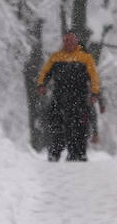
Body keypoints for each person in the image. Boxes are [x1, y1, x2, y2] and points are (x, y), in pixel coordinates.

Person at [36, 32, 104, 162]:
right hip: (59, 96)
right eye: (66, 41)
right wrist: (41, 85)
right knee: (56, 124)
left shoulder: (85, 58)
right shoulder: (56, 57)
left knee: (79, 126)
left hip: (79, 97)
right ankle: (54, 152)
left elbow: (94, 77)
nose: (68, 43)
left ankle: (78, 153)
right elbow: (45, 72)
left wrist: (95, 93)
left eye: (71, 41)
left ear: (76, 42)